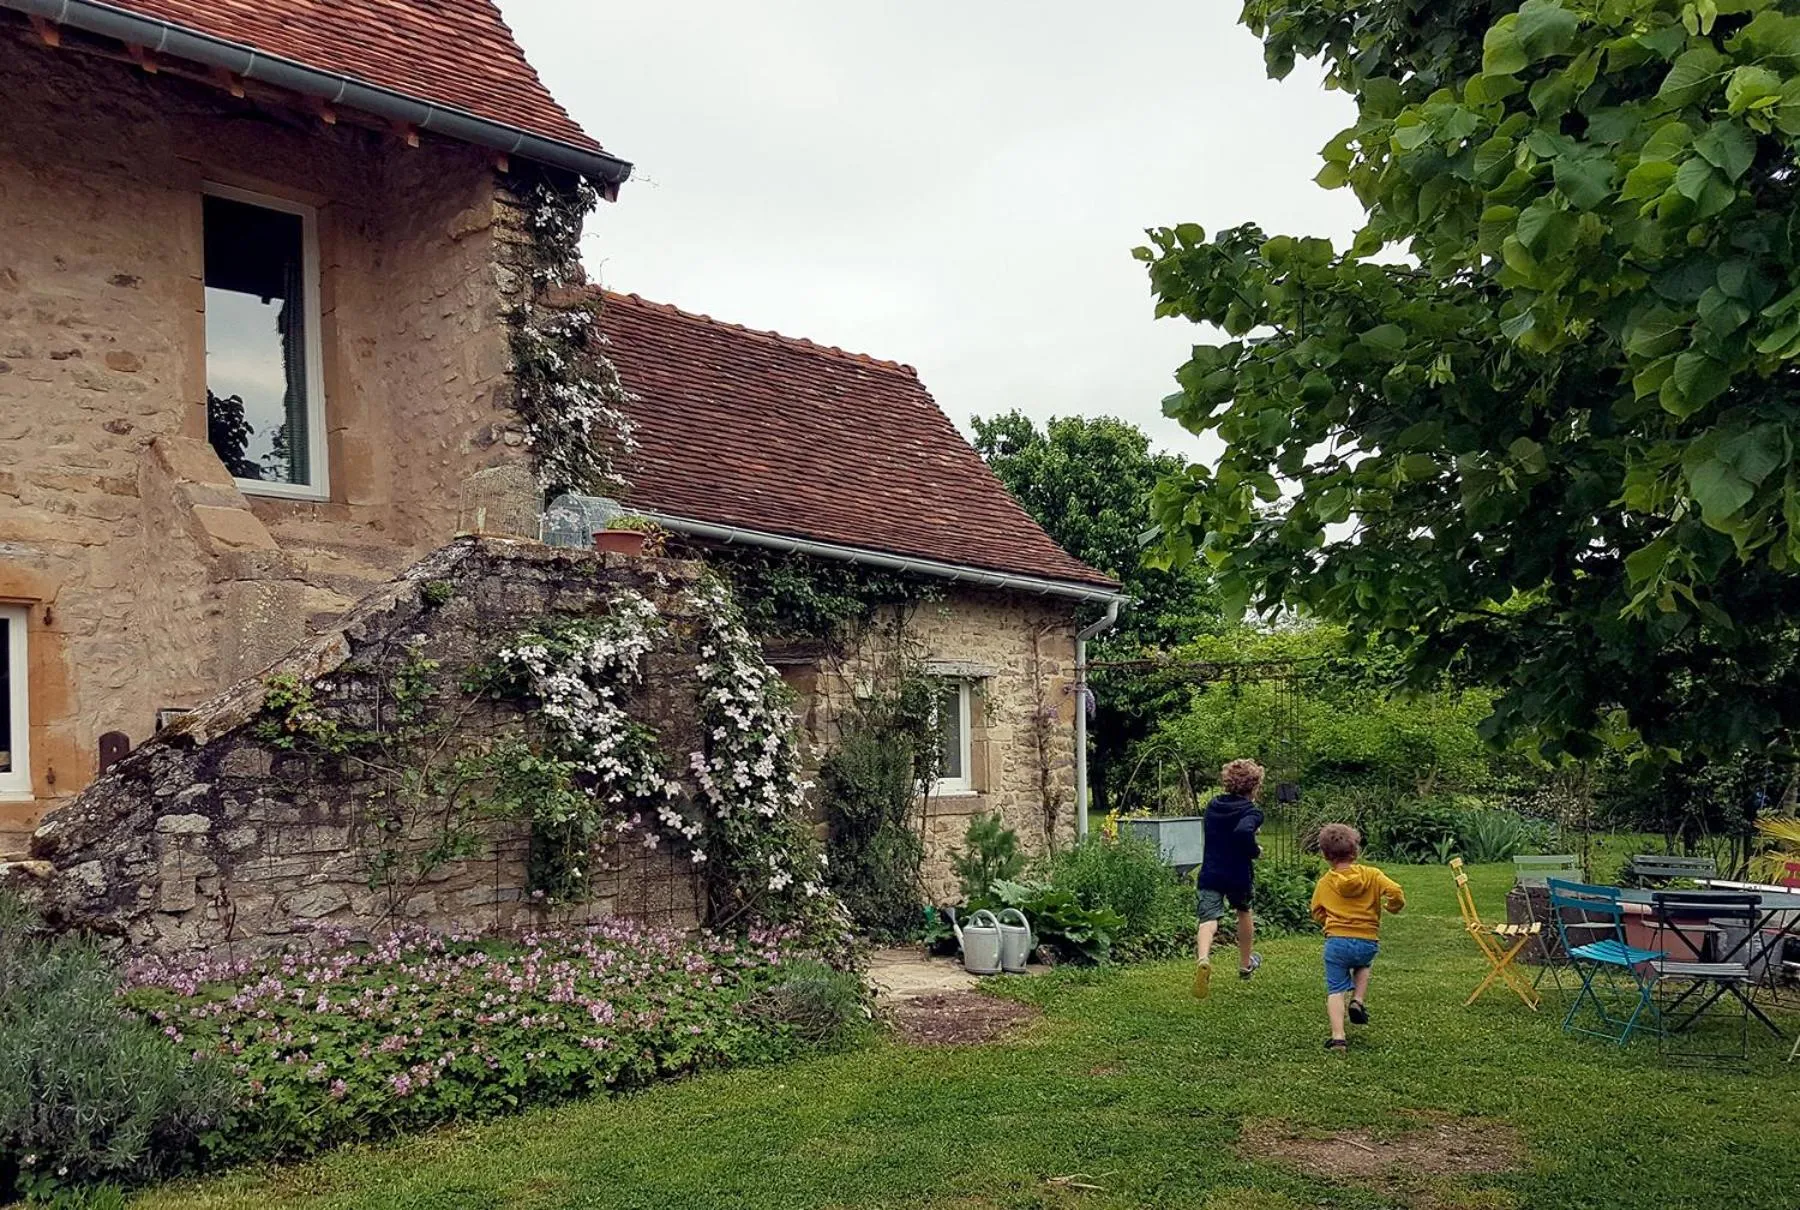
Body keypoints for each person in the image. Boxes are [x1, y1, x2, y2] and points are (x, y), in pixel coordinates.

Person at [1309, 823, 1405, 1052]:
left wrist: (1328, 922)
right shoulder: (1372, 875)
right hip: (1366, 939)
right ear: (1355, 851)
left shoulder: (1325, 883)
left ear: (1325, 855)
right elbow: (1396, 892)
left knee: (1335, 989)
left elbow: (1316, 911)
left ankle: (1338, 1037)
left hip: (1337, 942)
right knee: (1363, 964)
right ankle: (1358, 1000)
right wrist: (1392, 907)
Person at [1192, 758, 1267, 999]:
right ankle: (1245, 965)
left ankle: (1203, 959)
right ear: (1254, 787)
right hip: (1238, 874)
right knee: (1243, 912)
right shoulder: (1252, 811)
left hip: (1211, 872)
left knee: (1208, 919)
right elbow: (1243, 831)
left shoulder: (1213, 805)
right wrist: (1255, 850)